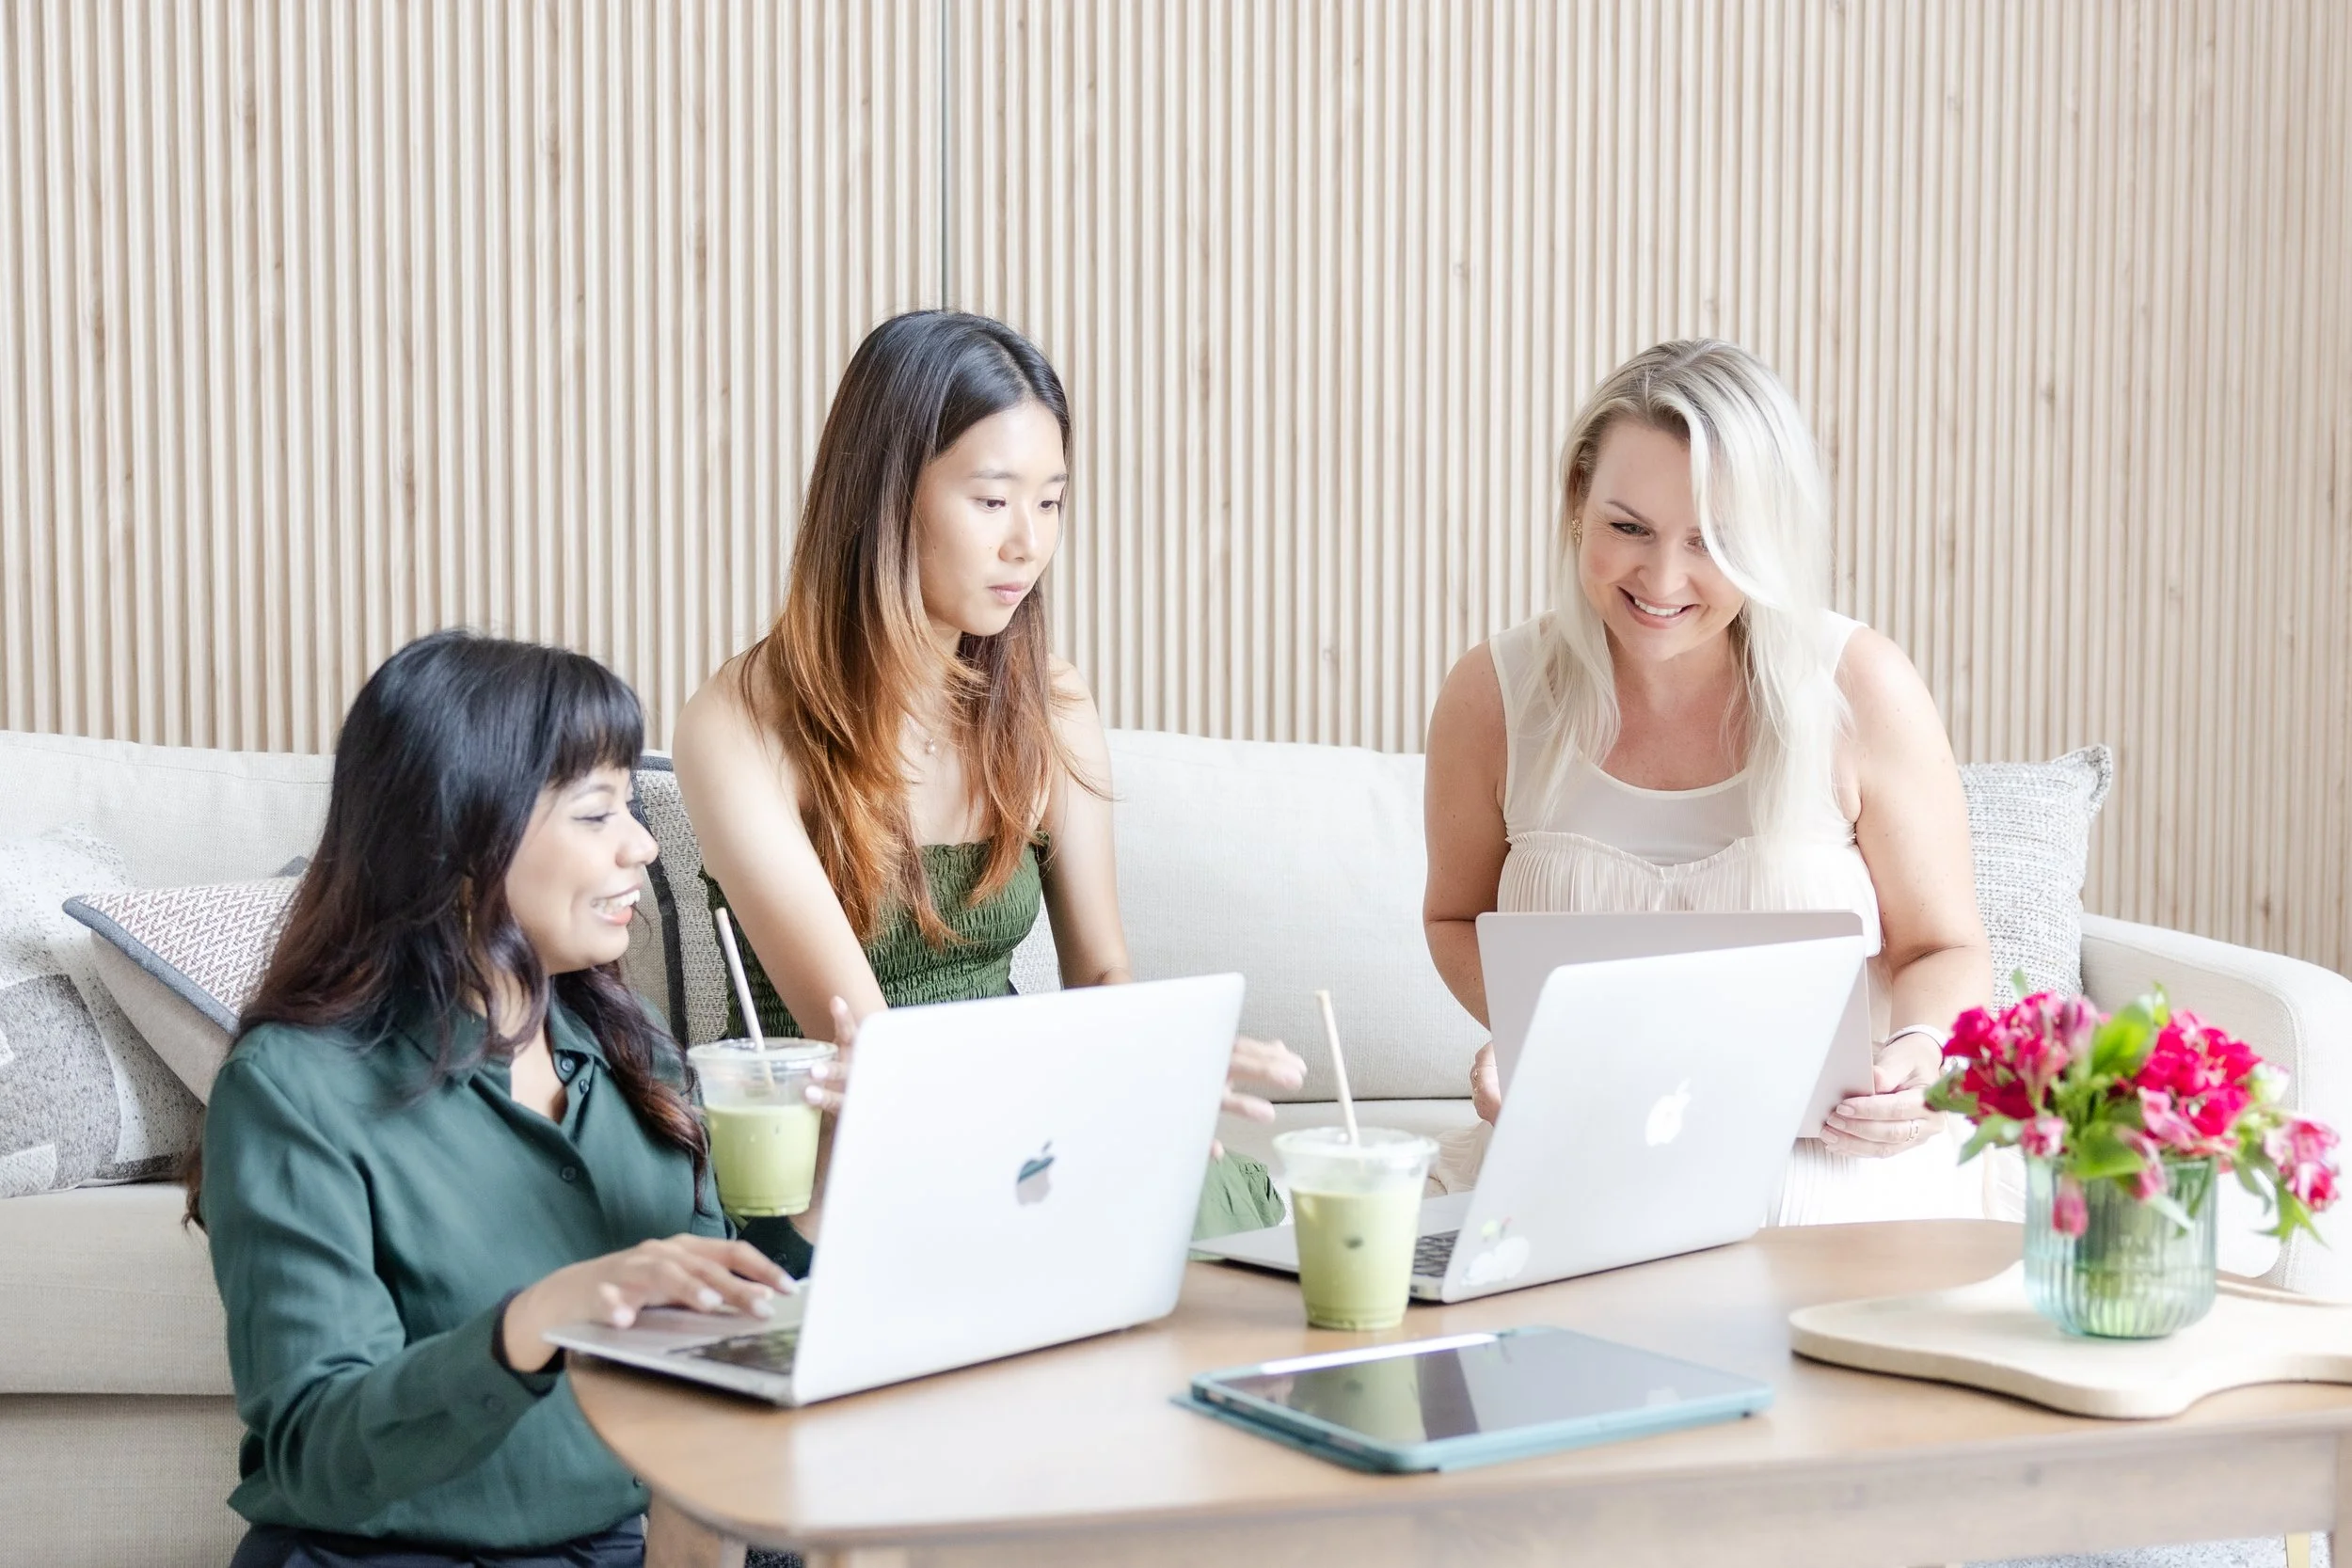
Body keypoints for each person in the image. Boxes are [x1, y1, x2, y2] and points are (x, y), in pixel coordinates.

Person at [674, 309, 1302, 1262]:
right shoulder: (739, 723)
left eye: (1051, 502)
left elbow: (1102, 974)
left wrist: (1153, 1067)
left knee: (1236, 1217)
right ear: (886, 496)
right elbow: (871, 1050)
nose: (1028, 544)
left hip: (1025, 1137)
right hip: (838, 1168)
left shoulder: (1050, 700)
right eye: (993, 500)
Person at [195, 630, 790, 1568]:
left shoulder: (637, 1053)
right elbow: (316, 1450)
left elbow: (727, 1333)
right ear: (465, 842)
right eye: (597, 812)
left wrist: (831, 1190)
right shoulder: (292, 1089)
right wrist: (531, 1321)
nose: (641, 843)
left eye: (630, 806)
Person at [1421, 339, 1995, 1222]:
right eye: (1628, 528)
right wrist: (1540, 1038)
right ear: (1577, 505)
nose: (1661, 579)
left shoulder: (1861, 686)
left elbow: (1945, 947)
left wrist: (1920, 1054)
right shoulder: (1492, 696)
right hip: (1577, 1171)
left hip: (1826, 1186)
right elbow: (1455, 918)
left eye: (1712, 540)